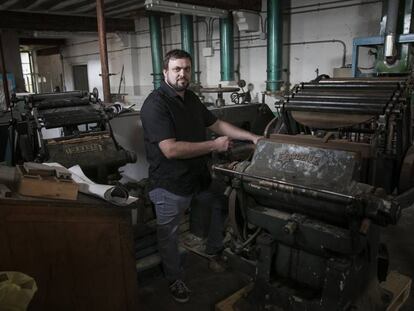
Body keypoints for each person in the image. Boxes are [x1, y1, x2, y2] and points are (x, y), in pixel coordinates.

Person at [140, 49, 260, 303]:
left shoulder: (191, 98)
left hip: (197, 176)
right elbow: (170, 149)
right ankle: (175, 278)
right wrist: (213, 147)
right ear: (165, 73)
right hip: (169, 183)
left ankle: (214, 251)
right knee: (169, 236)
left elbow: (216, 124)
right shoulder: (156, 104)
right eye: (176, 69)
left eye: (186, 68)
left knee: (219, 204)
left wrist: (252, 137)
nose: (182, 74)